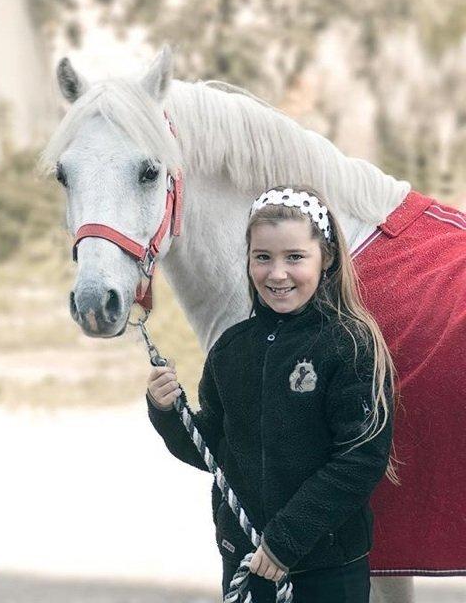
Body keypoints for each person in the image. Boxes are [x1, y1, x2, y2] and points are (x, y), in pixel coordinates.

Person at [146, 185, 395, 603]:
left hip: (326, 567)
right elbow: (215, 451)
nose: (277, 273)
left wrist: (285, 542)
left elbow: (358, 460)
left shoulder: (349, 345)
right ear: (248, 261)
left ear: (327, 259)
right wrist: (169, 412)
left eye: (294, 257)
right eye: (263, 257)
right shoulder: (231, 349)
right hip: (246, 557)